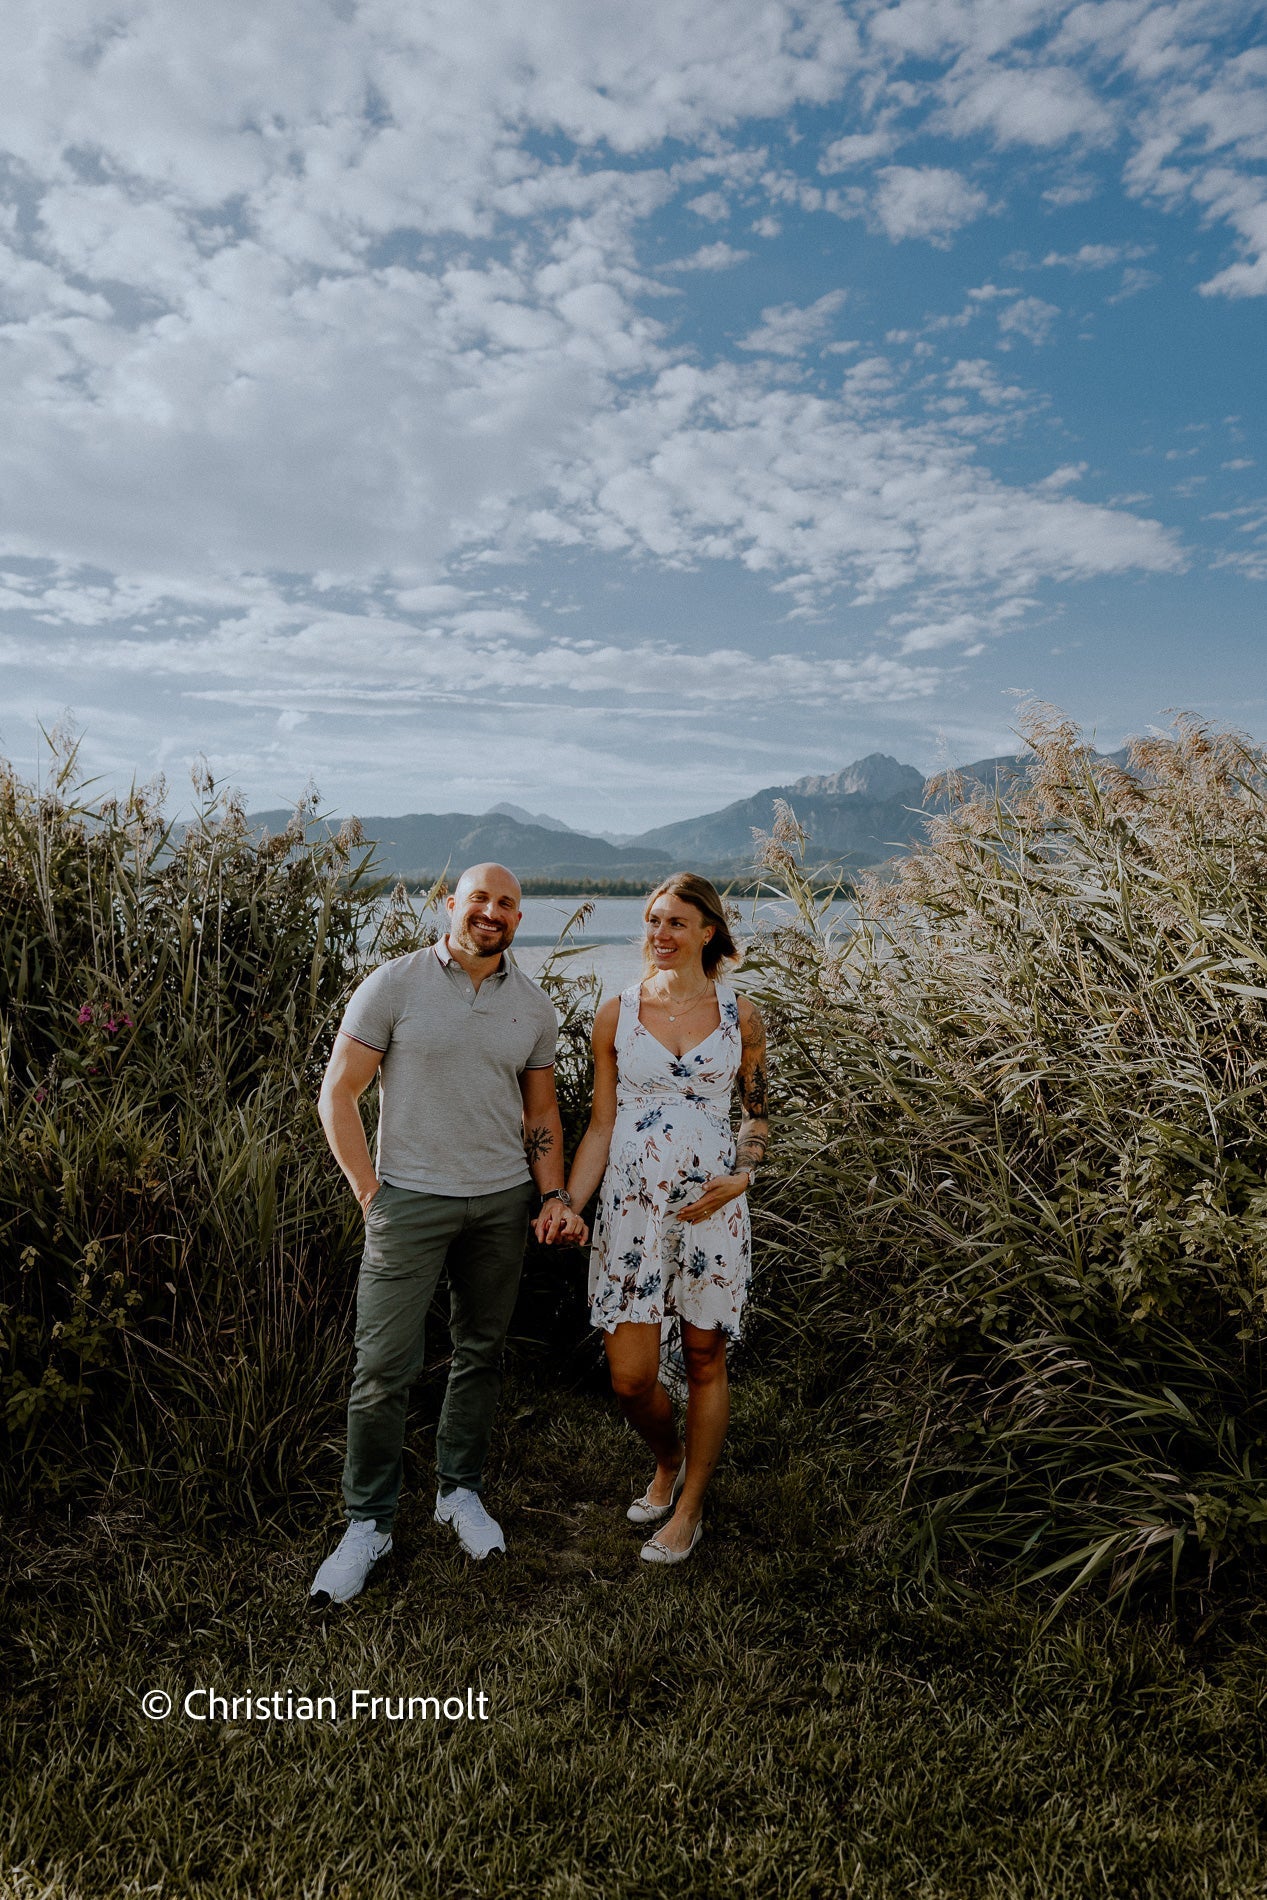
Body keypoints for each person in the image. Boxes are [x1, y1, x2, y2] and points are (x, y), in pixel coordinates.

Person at [310, 862, 586, 1605]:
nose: (491, 911)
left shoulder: (532, 1005)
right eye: (479, 899)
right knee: (382, 1368)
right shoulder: (393, 984)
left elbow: (539, 1115)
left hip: (499, 1205)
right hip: (410, 1202)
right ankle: (367, 1523)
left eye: (507, 902)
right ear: (451, 904)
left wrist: (552, 1193)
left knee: (480, 1354)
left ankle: (457, 1492)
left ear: (518, 918)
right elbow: (338, 1092)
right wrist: (371, 1192)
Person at [544, 873, 768, 1564]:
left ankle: (690, 1505)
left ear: (708, 931)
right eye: (651, 922)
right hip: (631, 1214)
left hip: (710, 1213)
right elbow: (601, 1124)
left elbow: (756, 1115)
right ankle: (666, 1459)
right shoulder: (616, 1013)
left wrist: (743, 1174)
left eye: (674, 923)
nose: (658, 936)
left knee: (704, 1357)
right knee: (631, 1378)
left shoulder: (742, 1015)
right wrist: (568, 1203)